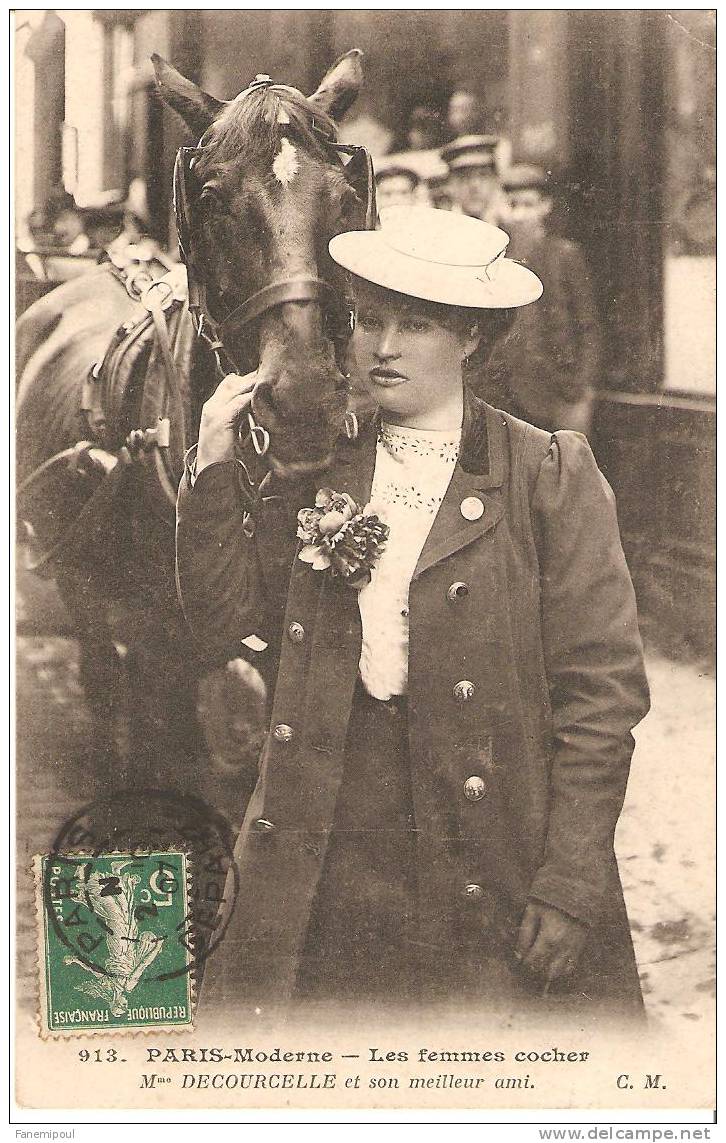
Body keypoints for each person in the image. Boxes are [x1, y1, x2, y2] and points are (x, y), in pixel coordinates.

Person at [176, 206, 650, 1024]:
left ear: (471, 338)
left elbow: (601, 699)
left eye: (418, 324)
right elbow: (223, 621)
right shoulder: (320, 462)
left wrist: (570, 883)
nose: (382, 346)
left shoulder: (546, 474)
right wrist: (214, 465)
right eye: (369, 319)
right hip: (323, 838)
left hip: (487, 842)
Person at [486, 164, 602, 433]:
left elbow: (588, 326)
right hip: (508, 394)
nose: (520, 214)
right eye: (513, 205)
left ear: (545, 207)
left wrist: (580, 387)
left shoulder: (565, 255)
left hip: (559, 392)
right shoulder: (497, 259)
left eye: (529, 205)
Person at [441, 134, 506, 224]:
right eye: (464, 177)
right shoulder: (441, 230)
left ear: (495, 181)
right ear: (450, 184)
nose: (474, 185)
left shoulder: (510, 231)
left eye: (483, 175)